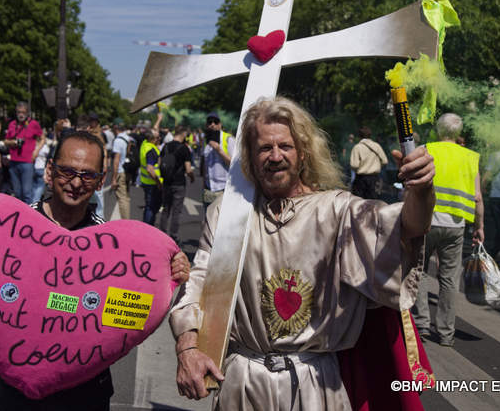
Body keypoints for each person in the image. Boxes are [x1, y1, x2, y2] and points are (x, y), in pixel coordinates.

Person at [171, 96, 434, 410]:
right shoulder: (228, 216)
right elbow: (200, 284)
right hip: (243, 384)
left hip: (316, 386)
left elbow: (406, 230)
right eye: (265, 148)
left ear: (304, 152)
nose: (275, 156)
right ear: (250, 157)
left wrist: (421, 190)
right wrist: (187, 349)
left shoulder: (338, 211)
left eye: (285, 146)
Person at [0, 130, 191, 410]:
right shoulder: (6, 229)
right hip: (17, 390)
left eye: (87, 175)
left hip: (86, 388)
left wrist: (166, 273)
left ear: (100, 181)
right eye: (67, 171)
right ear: (50, 171)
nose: (76, 182)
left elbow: (123, 315)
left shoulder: (115, 247)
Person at [413, 113, 483, 347]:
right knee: (449, 280)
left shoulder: (426, 149)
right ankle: (445, 332)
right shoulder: (471, 157)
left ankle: (422, 323)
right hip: (455, 227)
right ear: (458, 132)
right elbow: (477, 197)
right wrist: (479, 226)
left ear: (438, 130)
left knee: (420, 272)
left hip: (426, 221)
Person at [3, 102, 45, 204]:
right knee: (17, 193)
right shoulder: (12, 124)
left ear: (27, 113)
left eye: (23, 112)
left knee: (27, 193)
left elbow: (42, 138)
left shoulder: (33, 124)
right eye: (19, 112)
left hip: (27, 162)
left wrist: (36, 151)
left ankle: (28, 216)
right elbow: (6, 141)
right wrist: (13, 142)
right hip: (13, 162)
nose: (21, 114)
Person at [158, 125, 195, 242]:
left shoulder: (166, 146)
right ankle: (173, 236)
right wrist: (192, 177)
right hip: (179, 183)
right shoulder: (184, 149)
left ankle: (161, 234)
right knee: (176, 211)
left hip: (167, 183)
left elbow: (160, 164)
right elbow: (188, 169)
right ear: (183, 134)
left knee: (166, 209)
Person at [200, 112, 234, 212]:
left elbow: (234, 164)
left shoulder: (228, 139)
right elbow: (205, 166)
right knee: (208, 222)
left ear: (220, 124)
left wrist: (219, 150)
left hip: (223, 189)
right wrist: (203, 187)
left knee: (221, 223)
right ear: (206, 125)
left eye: (216, 122)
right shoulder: (206, 141)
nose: (212, 124)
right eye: (210, 122)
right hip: (208, 189)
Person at [350, 125, 388, 200]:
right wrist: (376, 166)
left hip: (361, 179)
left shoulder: (357, 147)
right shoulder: (377, 146)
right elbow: (385, 161)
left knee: (359, 203)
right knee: (374, 203)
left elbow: (354, 165)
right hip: (374, 178)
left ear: (359, 136)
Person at [111, 119, 132, 219]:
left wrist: (114, 178)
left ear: (115, 128)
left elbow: (116, 160)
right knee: (126, 196)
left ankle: (125, 221)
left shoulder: (118, 141)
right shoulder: (128, 138)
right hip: (128, 169)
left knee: (122, 199)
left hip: (120, 171)